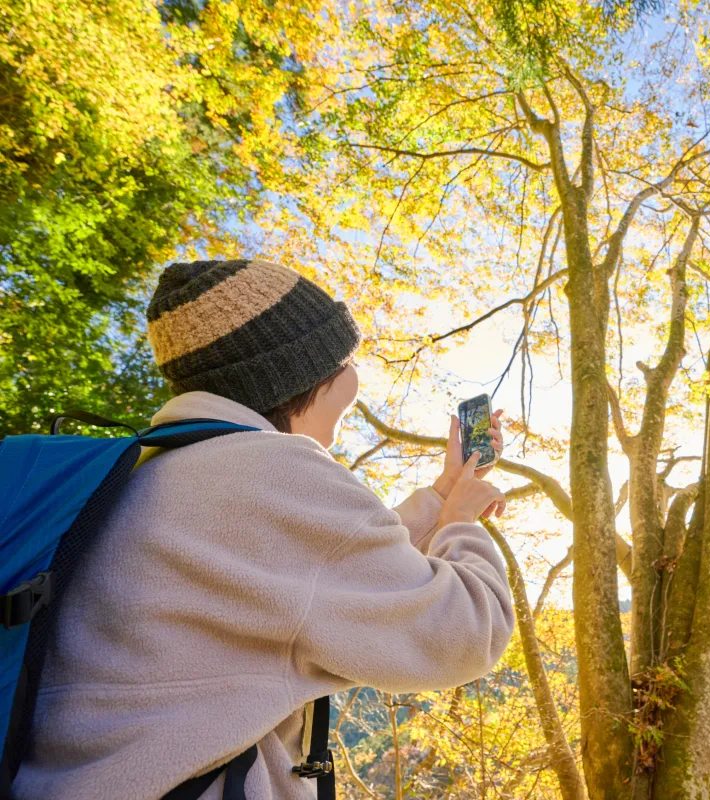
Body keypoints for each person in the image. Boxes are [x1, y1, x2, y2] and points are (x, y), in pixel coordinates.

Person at [13, 258, 516, 800]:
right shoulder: (280, 474)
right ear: (300, 372)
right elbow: (465, 635)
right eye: (346, 355)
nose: (354, 373)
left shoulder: (142, 471)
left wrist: (442, 495)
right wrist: (461, 521)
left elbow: (315, 573)